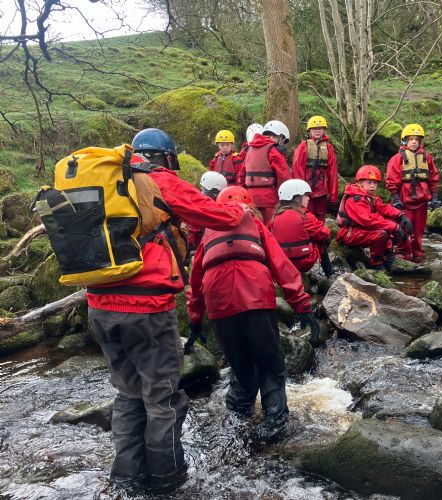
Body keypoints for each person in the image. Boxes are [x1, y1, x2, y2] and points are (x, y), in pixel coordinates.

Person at [87, 128, 246, 493]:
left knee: (128, 395)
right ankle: (167, 482)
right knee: (162, 398)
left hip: (99, 305)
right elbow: (218, 216)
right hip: (146, 307)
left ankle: (126, 479)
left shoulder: (106, 183)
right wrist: (238, 208)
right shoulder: (159, 181)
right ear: (165, 158)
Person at [186, 186, 319, 439]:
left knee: (242, 369)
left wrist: (194, 321)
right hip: (256, 299)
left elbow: (195, 281)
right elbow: (281, 265)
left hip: (219, 305)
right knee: (271, 367)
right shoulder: (255, 224)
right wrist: (303, 306)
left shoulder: (208, 232)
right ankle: (274, 426)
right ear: (250, 207)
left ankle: (235, 425)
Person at [336, 165, 413, 270]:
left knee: (391, 223)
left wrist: (401, 216)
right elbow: (367, 220)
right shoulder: (355, 199)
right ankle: (376, 263)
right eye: (369, 182)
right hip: (350, 233)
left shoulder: (370, 197)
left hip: (361, 230)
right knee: (383, 233)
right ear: (359, 182)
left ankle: (386, 254)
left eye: (375, 183)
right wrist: (395, 227)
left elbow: (384, 208)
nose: (373, 186)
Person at [386, 123, 439, 262]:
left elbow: (433, 177)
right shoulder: (397, 158)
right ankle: (403, 251)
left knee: (418, 229)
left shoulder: (427, 157)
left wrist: (434, 196)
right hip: (404, 200)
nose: (414, 142)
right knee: (404, 226)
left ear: (420, 141)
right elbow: (391, 179)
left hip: (422, 201)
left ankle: (417, 251)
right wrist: (395, 198)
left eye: (416, 139)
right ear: (405, 141)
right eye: (411, 139)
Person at [270, 179, 332, 276]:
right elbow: (325, 234)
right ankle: (329, 273)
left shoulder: (275, 216)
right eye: (305, 195)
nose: (308, 198)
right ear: (296, 198)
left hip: (283, 261)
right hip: (302, 262)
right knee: (321, 240)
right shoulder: (304, 215)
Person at [237, 120, 292, 225]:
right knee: (270, 228)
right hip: (269, 199)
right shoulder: (273, 151)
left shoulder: (250, 150)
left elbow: (241, 176)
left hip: (250, 199)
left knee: (255, 227)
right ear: (279, 136)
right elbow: (284, 177)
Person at [292, 115, 338, 221]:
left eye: (320, 128)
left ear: (324, 130)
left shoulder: (328, 147)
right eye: (314, 129)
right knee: (307, 215)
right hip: (307, 189)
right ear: (310, 130)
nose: (317, 131)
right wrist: (300, 190)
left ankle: (320, 230)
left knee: (320, 215)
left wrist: (333, 196)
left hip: (322, 189)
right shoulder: (303, 146)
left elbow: (332, 172)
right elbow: (297, 169)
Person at [187, 171, 228, 252]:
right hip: (222, 248)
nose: (201, 192)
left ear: (213, 192)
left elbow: (190, 237)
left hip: (203, 249)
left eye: (203, 189)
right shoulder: (226, 207)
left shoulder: (198, 209)